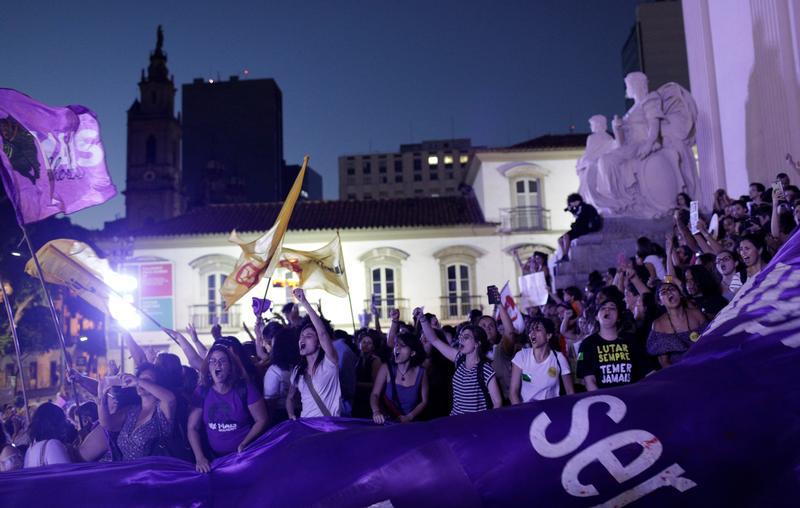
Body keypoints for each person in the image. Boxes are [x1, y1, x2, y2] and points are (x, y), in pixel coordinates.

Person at [188, 345, 267, 473]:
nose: (217, 364)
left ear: (230, 367)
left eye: (222, 360)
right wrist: (200, 457)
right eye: (212, 361)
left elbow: (261, 419)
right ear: (208, 367)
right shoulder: (201, 392)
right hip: (214, 460)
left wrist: (244, 444)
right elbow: (192, 427)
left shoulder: (245, 389)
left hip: (244, 457)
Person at [416, 308, 502, 414]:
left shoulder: (485, 369)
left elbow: (497, 402)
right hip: (455, 421)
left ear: (477, 343)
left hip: (475, 425)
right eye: (460, 337)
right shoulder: (459, 359)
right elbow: (434, 340)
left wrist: (486, 424)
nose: (461, 340)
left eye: (466, 337)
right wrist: (423, 319)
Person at [97, 363, 176, 462]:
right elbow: (107, 423)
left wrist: (138, 381)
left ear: (157, 385)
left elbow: (170, 399)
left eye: (147, 380)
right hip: (125, 470)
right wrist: (101, 396)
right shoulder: (132, 410)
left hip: (150, 473)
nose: (139, 383)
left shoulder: (161, 409)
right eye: (139, 378)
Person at [286, 288, 342, 419]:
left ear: (319, 343)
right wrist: (290, 414)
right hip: (307, 427)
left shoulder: (329, 363)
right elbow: (290, 398)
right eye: (301, 336)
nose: (302, 339)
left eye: (309, 336)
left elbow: (322, 334)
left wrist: (304, 302)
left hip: (328, 428)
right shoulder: (297, 371)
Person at [576, 298, 639, 390]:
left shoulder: (631, 340)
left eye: (612, 308)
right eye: (603, 308)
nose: (607, 310)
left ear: (618, 318)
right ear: (597, 317)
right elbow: (589, 380)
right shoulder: (587, 344)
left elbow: (646, 371)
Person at [510, 317, 574, 404]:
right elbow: (513, 393)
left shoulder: (559, 358)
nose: (532, 333)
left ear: (548, 335)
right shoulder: (521, 356)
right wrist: (521, 413)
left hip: (552, 410)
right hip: (528, 411)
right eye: (531, 330)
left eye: (538, 329)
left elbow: (570, 392)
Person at [370, 332, 429, 424]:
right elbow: (375, 394)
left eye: (402, 345)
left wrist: (409, 417)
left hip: (411, 425)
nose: (397, 348)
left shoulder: (421, 372)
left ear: (412, 353)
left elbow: (424, 401)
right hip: (389, 423)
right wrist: (376, 411)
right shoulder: (386, 368)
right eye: (396, 345)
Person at [648, 279, 708, 368]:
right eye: (664, 292)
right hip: (678, 372)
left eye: (672, 289)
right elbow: (664, 362)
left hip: (704, 363)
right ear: (660, 302)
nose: (669, 292)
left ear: (680, 294)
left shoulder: (697, 314)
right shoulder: (658, 325)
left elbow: (710, 342)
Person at [263, 327, 299, 426]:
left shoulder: (274, 371)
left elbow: (270, 403)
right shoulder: (301, 367)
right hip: (302, 414)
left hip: (281, 418)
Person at [23, 402, 74, 468]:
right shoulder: (53, 445)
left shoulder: (30, 450)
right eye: (63, 420)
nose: (66, 424)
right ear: (54, 423)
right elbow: (68, 474)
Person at [558, 193, 602, 262]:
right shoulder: (579, 208)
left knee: (566, 236)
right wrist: (572, 211)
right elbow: (578, 216)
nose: (571, 205)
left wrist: (572, 211)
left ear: (575, 201)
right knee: (560, 240)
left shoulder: (586, 207)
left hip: (585, 228)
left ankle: (565, 255)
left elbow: (581, 219)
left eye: (571, 203)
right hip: (579, 228)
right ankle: (564, 255)